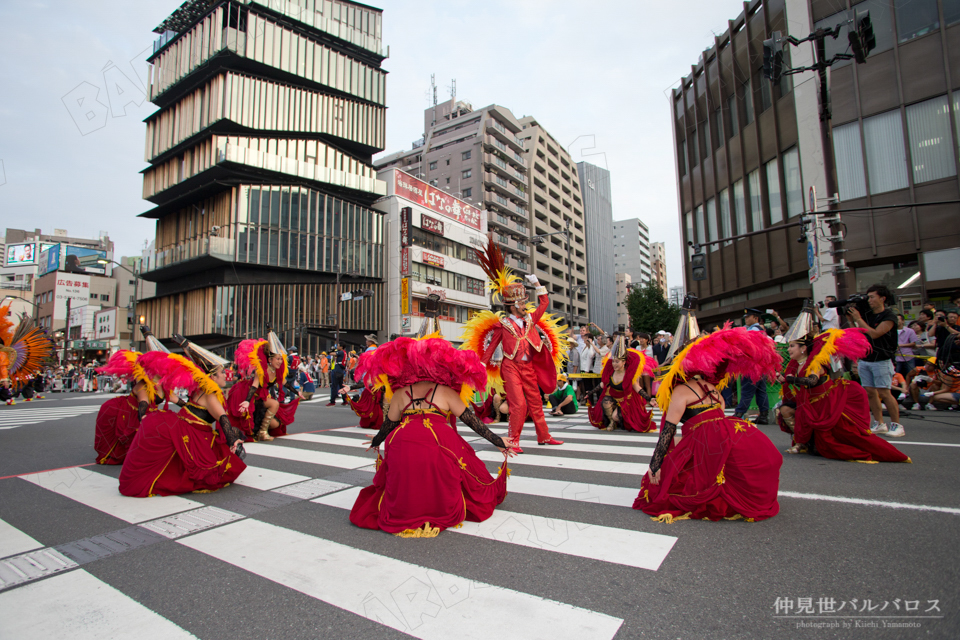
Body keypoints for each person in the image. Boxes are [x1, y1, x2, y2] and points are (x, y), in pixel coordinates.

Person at [349, 336, 515, 537]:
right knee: (464, 461)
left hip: (403, 441)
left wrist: (376, 442)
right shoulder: (445, 391)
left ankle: (409, 507)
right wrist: (498, 441)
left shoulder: (401, 393)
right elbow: (473, 422)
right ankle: (434, 506)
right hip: (438, 440)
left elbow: (388, 424)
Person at [634, 322, 783, 523]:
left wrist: (655, 465)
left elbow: (668, 431)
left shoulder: (681, 390)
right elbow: (719, 411)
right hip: (728, 429)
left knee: (665, 481)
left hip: (706, 438)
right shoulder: (711, 387)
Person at [462, 238, 568, 451]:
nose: (524, 305)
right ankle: (513, 440)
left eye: (524, 302)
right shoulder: (503, 324)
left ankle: (544, 436)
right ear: (512, 306)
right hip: (510, 367)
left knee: (536, 403)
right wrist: (481, 365)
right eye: (521, 303)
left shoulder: (531, 319)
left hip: (529, 368)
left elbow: (545, 303)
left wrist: (537, 284)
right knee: (518, 404)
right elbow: (491, 347)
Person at [119, 340, 246, 497]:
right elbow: (223, 419)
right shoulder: (211, 394)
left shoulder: (200, 389)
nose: (225, 374)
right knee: (215, 468)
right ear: (212, 376)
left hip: (185, 426)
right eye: (221, 372)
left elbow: (185, 405)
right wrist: (233, 440)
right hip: (192, 432)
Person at [778, 329, 910, 463]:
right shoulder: (794, 365)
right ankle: (802, 443)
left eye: (792, 346)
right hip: (809, 401)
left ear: (803, 348)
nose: (789, 349)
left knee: (843, 436)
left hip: (826, 401)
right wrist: (780, 377)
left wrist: (791, 379)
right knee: (788, 411)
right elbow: (791, 381)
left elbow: (812, 381)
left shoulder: (815, 363)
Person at [93, 341, 181, 465]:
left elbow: (176, 399)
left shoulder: (163, 384)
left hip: (149, 413)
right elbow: (143, 403)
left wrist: (195, 408)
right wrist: (144, 420)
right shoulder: (143, 384)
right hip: (129, 413)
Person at [845, 285, 905, 437]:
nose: (869, 300)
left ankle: (897, 425)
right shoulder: (869, 315)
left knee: (885, 392)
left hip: (882, 359)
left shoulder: (889, 316)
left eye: (872, 297)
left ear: (882, 298)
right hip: (866, 358)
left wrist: (859, 319)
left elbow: (875, 333)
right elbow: (860, 334)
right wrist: (852, 321)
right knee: (870, 392)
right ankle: (879, 423)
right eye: (868, 297)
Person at [226, 330, 301, 441]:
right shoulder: (261, 370)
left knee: (275, 424)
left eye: (281, 359)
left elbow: (285, 383)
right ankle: (262, 432)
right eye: (277, 359)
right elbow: (255, 386)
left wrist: (297, 392)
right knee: (274, 404)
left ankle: (262, 430)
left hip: (263, 397)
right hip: (251, 395)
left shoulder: (278, 371)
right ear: (270, 360)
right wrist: (247, 401)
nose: (280, 361)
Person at [588, 336, 655, 431]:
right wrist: (590, 393)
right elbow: (603, 384)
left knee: (617, 416)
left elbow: (637, 387)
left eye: (617, 362)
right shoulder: (611, 371)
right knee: (605, 401)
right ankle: (611, 421)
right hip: (613, 397)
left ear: (623, 362)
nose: (614, 364)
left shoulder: (629, 374)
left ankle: (618, 419)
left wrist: (649, 398)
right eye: (613, 361)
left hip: (625, 400)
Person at [733, 308, 773, 425]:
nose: (746, 319)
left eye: (748, 317)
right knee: (761, 391)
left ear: (755, 318)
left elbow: (748, 346)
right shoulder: (760, 330)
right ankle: (764, 415)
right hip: (761, 365)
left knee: (747, 390)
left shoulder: (754, 330)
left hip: (752, 365)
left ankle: (739, 414)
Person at [894, 313, 918, 378]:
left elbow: (913, 343)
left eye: (898, 319)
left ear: (903, 321)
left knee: (911, 374)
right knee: (897, 375)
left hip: (908, 356)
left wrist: (900, 345)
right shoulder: (891, 331)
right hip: (896, 357)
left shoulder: (910, 331)